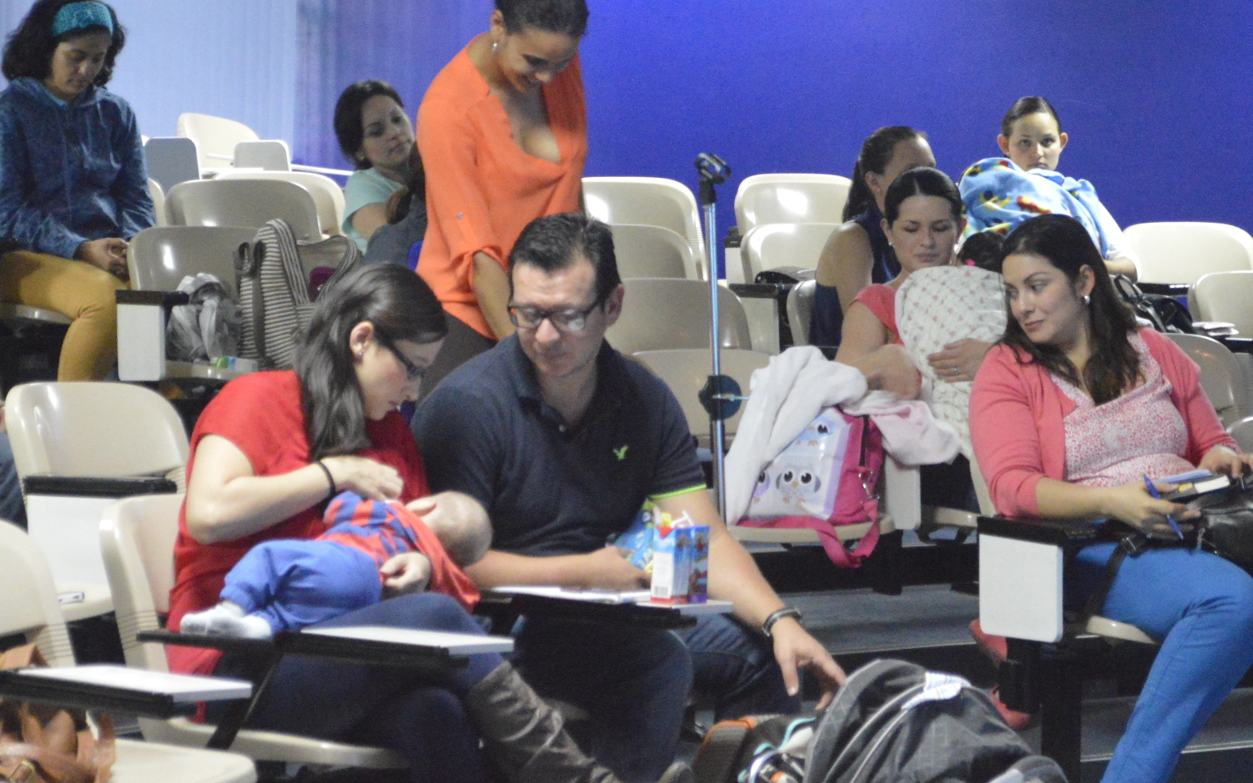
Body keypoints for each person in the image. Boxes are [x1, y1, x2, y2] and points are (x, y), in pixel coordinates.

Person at [168, 261, 688, 783]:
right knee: (434, 618)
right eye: (412, 368)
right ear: (362, 340)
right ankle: (572, 777)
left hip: (346, 657)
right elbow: (211, 515)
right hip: (238, 661)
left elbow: (432, 557)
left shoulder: (393, 436)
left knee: (435, 711)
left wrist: (419, 562)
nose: (415, 391)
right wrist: (333, 474)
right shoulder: (259, 398)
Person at [414, 212, 845, 783]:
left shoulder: (641, 397)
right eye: (528, 314)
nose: (545, 335)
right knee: (654, 656)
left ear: (612, 307)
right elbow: (444, 567)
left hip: (605, 609)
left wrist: (781, 620)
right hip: (502, 625)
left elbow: (703, 536)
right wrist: (585, 573)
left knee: (765, 652)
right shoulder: (467, 407)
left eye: (567, 316)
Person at [971, 214, 1253, 783]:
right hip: (1085, 545)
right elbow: (1014, 488)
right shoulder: (1007, 369)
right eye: (1011, 291)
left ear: (1084, 280)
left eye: (1036, 286)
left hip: (1189, 524)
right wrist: (1114, 503)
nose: (1022, 305)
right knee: (1229, 603)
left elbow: (1208, 439)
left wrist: (1222, 457)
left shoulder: (1150, 347)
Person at [416, 0, 589, 396]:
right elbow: (480, 262)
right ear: (498, 25)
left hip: (551, 307)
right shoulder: (448, 109)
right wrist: (533, 361)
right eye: (533, 61)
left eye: (563, 60)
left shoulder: (556, 65)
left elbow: (571, 197)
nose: (549, 77)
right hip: (469, 313)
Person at [0, 0, 155, 380]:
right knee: (105, 300)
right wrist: (79, 248)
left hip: (103, 252)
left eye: (98, 58)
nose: (87, 69)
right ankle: (70, 429)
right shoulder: (11, 111)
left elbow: (135, 198)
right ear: (45, 49)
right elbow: (8, 212)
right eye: (76, 56)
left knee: (149, 290)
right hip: (23, 256)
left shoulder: (115, 113)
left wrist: (130, 247)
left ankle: (145, 405)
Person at [180, 489, 491, 638]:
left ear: (424, 505)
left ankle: (230, 611)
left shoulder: (394, 516)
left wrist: (370, 498)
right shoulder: (444, 579)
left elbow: (338, 510)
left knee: (270, 557)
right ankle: (257, 628)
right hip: (367, 599)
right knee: (301, 611)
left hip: (347, 562)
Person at [833, 167, 991, 398]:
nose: (926, 241)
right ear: (888, 231)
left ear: (960, 230)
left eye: (940, 228)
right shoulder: (876, 305)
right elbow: (831, 388)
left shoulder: (988, 291)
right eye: (911, 229)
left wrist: (996, 356)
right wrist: (883, 361)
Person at [958, 96, 1138, 279]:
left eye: (1047, 141)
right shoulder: (978, 190)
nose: (1038, 152)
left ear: (1062, 142)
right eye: (1025, 143)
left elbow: (1132, 267)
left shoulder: (1079, 196)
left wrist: (1082, 265)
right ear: (1005, 145)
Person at [810, 126, 936, 352]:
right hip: (851, 378)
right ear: (874, 182)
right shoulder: (851, 239)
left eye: (931, 170)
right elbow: (866, 336)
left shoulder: (931, 236)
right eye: (912, 172)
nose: (926, 182)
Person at [333, 80, 426, 258]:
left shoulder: (428, 164)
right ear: (359, 150)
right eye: (377, 132)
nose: (394, 132)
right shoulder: (361, 187)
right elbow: (399, 247)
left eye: (397, 119)